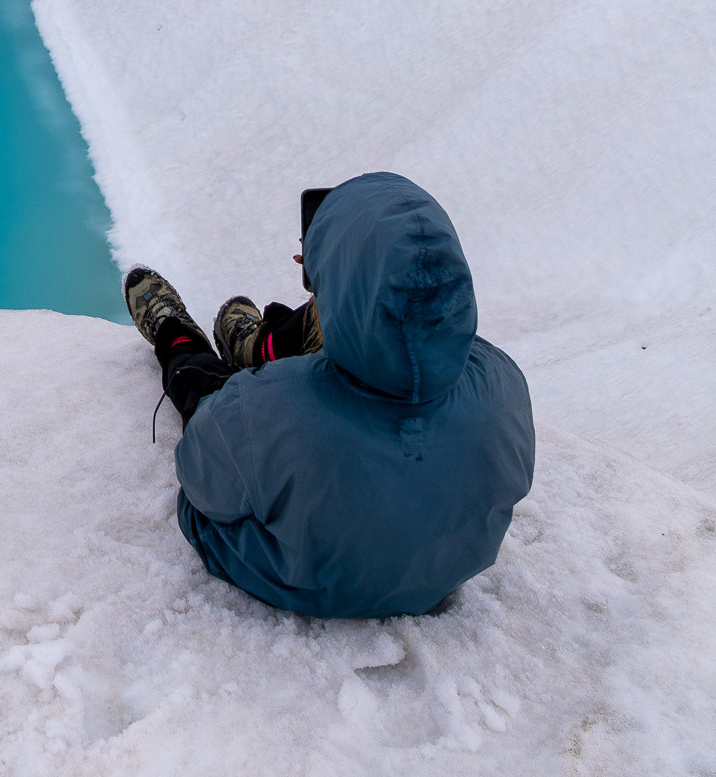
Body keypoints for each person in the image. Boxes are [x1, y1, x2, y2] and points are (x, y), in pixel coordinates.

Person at [124, 171, 534, 620]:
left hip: (299, 576)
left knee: (208, 396)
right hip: (442, 573)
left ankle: (180, 338)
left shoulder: (264, 409)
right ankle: (270, 341)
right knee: (386, 313)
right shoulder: (504, 383)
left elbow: (200, 479)